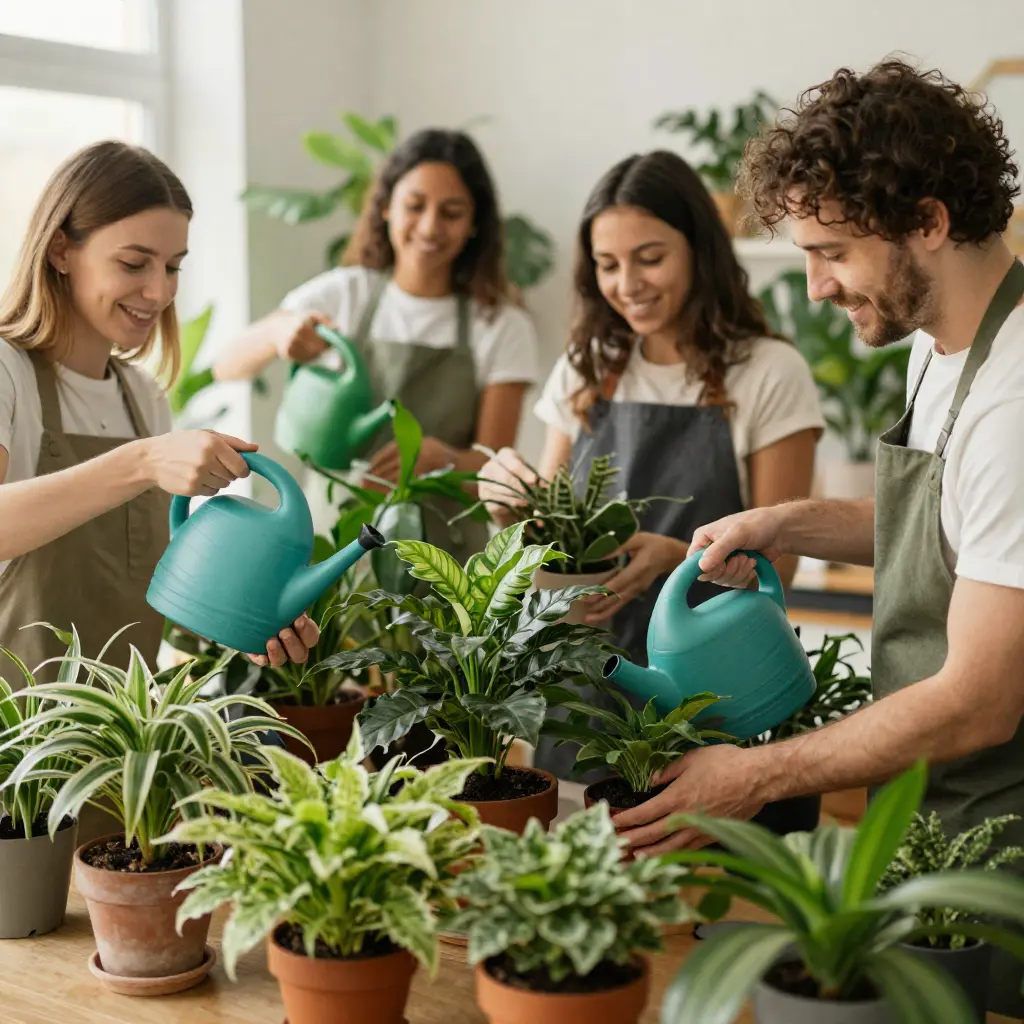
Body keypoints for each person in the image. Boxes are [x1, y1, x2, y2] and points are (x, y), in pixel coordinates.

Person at [609, 60, 1024, 1014]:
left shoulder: (1014, 399)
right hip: (926, 814)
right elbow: (951, 529)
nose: (817, 285)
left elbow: (979, 703)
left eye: (832, 251)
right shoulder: (940, 343)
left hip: (1001, 849)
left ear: (929, 220)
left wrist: (753, 775)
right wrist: (786, 520)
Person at [479, 150, 823, 778]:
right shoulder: (586, 366)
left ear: (699, 249)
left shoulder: (769, 372)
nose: (627, 284)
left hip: (713, 685)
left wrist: (677, 561)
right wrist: (506, 502)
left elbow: (784, 565)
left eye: (650, 258)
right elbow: (550, 534)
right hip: (585, 685)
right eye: (608, 265)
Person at [0, 141, 318, 681]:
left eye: (173, 267)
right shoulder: (8, 371)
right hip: (19, 728)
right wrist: (142, 461)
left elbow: (149, 587)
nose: (159, 291)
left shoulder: (143, 398)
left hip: (129, 726)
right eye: (133, 263)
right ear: (60, 251)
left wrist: (246, 614)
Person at [214, 128, 539, 563]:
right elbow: (227, 365)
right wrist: (278, 333)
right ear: (386, 207)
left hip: (441, 559)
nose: (430, 226)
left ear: (475, 223)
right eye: (415, 206)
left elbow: (494, 467)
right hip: (331, 541)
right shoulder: (345, 295)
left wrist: (444, 459)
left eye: (452, 212)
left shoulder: (501, 325)